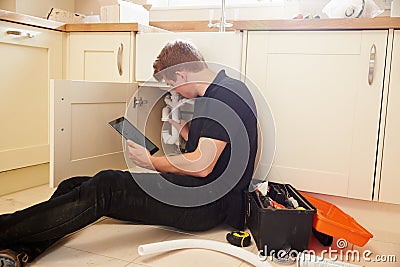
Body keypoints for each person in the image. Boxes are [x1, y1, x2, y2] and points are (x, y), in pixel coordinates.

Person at [0, 40, 258, 267]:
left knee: (108, 185)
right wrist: (180, 126)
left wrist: (151, 162)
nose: (174, 91)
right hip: (194, 191)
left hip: (207, 203)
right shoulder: (214, 93)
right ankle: (21, 250)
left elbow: (202, 165)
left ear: (181, 74)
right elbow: (209, 145)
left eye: (171, 84)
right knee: (74, 185)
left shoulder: (227, 97)